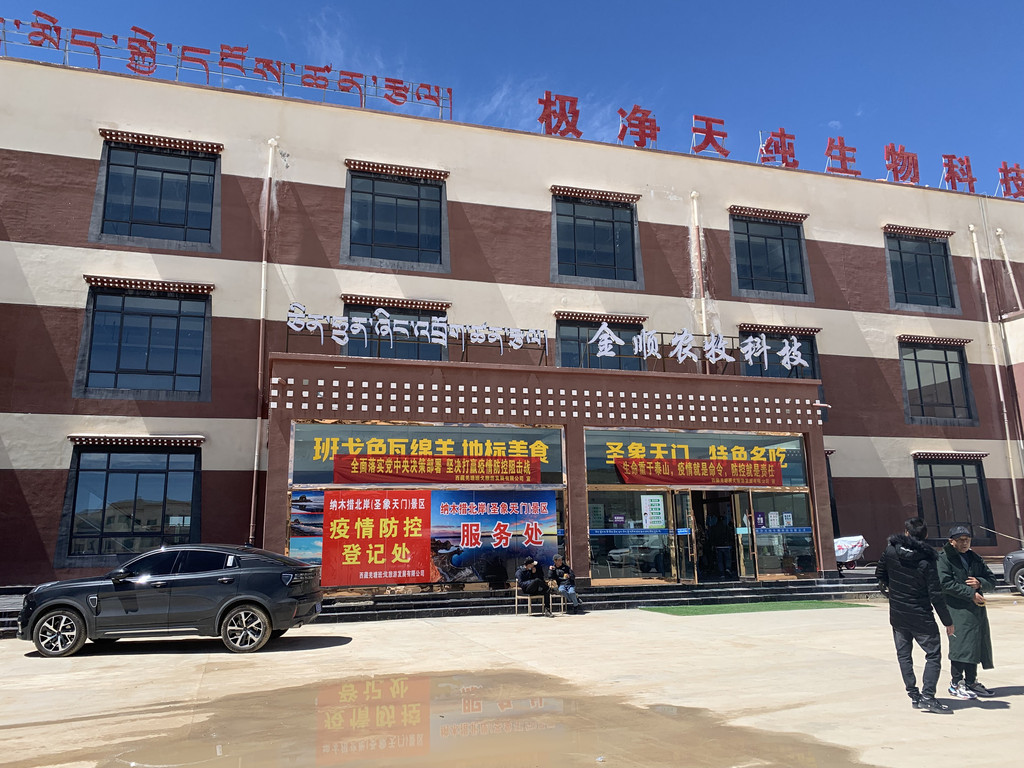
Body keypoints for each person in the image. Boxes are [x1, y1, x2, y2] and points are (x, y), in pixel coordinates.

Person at [875, 516, 955, 714]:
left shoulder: (890, 550)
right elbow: (935, 594)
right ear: (925, 535)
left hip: (898, 614)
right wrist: (947, 621)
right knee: (933, 655)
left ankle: (914, 695)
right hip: (921, 615)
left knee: (904, 655)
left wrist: (893, 591)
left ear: (906, 532)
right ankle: (928, 697)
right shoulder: (927, 560)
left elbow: (880, 573)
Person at [937, 525, 996, 700]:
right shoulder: (944, 558)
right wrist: (971, 594)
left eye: (967, 540)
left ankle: (971, 681)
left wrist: (980, 583)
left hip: (976, 610)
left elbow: (991, 579)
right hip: (957, 609)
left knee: (974, 644)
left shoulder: (974, 557)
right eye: (960, 540)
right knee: (961, 645)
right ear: (951, 541)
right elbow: (945, 583)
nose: (964, 543)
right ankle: (956, 683)